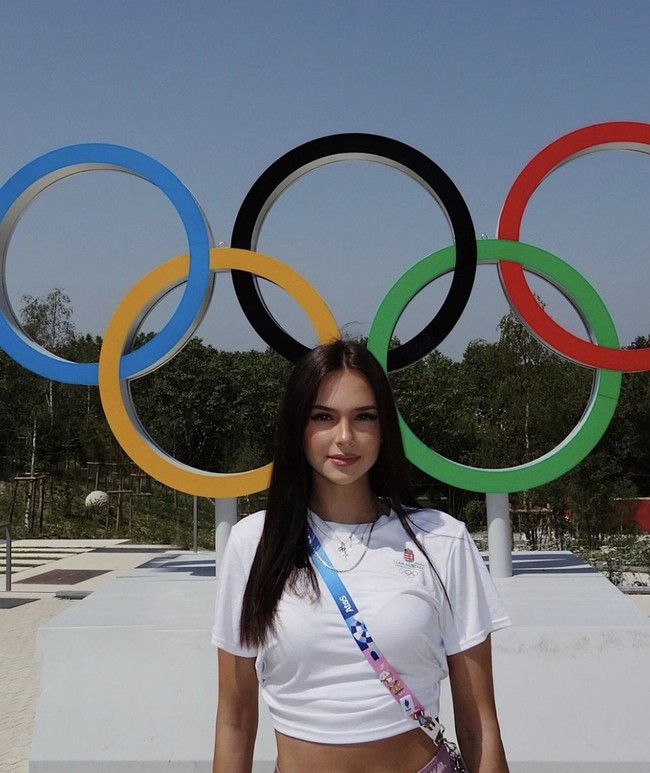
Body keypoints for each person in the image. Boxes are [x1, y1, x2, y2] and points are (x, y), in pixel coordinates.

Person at [212, 339, 511, 773]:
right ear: (298, 426)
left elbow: (478, 720)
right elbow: (235, 718)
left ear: (384, 427)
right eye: (323, 417)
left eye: (364, 417)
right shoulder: (253, 543)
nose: (345, 437)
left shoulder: (442, 540)